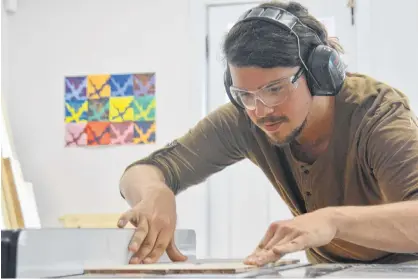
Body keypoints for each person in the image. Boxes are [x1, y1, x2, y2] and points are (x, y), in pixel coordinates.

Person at [117, 1, 418, 266]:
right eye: (245, 94)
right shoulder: (247, 117)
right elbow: (141, 171)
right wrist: (155, 192)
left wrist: (333, 221)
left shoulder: (377, 114)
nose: (260, 111)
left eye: (275, 89)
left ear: (320, 72)